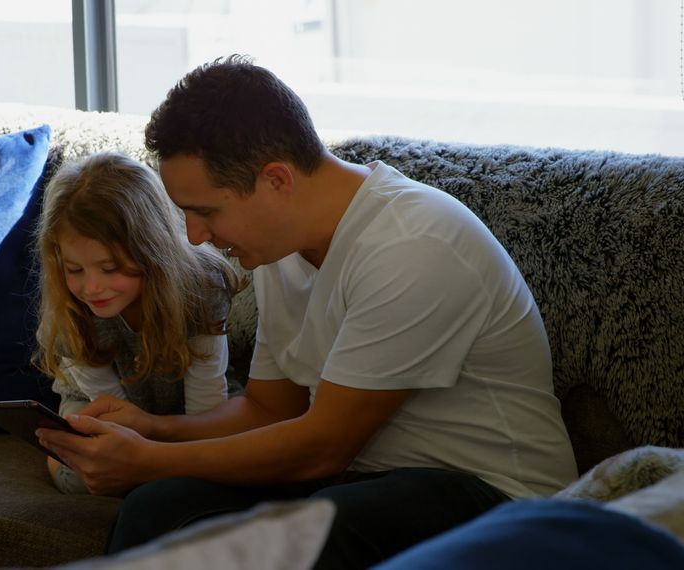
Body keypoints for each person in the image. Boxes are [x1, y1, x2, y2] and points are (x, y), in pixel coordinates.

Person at [37, 55, 578, 568]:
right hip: (361, 479)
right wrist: (155, 430)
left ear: (276, 180)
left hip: (491, 497)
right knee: (161, 506)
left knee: (300, 536)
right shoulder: (277, 250)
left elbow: (323, 445)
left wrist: (148, 460)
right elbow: (268, 411)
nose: (196, 237)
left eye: (205, 212)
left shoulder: (413, 243)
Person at [32, 151, 242, 495]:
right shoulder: (69, 308)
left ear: (152, 250)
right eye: (75, 270)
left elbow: (208, 398)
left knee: (231, 443)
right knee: (87, 475)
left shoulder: (201, 285)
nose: (92, 287)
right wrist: (128, 449)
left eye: (110, 268)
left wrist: (176, 452)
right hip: (97, 404)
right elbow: (111, 407)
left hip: (196, 406)